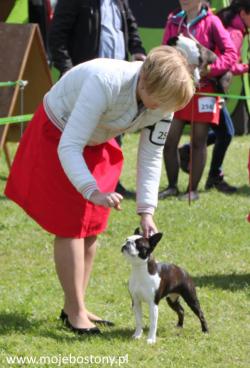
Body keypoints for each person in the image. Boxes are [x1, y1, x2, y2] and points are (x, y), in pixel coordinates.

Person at [4, 46, 194, 334]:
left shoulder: (162, 103)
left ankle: (74, 305)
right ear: (144, 81)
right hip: (58, 134)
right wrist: (90, 189)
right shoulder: (104, 82)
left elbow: (151, 155)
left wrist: (146, 210)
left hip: (95, 140)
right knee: (70, 225)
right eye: (160, 102)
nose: (162, 110)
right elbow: (69, 145)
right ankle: (75, 310)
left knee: (92, 225)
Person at [48, 0, 147, 198]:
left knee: (114, 137)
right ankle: (78, 184)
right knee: (80, 138)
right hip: (86, 84)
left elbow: (131, 27)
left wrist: (137, 50)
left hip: (120, 85)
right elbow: (57, 36)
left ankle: (110, 182)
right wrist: (68, 70)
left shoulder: (120, 2)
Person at [159, 0, 238, 201]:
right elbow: (164, 50)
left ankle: (192, 191)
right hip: (178, 88)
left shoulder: (212, 21)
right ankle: (172, 187)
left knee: (198, 142)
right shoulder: (173, 21)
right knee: (169, 141)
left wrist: (211, 69)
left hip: (205, 90)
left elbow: (231, 53)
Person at [178, 0, 250, 194]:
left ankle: (191, 155)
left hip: (208, 85)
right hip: (211, 87)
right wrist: (246, 67)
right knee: (226, 133)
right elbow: (228, 64)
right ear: (243, 13)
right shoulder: (235, 32)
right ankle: (212, 177)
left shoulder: (226, 21)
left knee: (224, 132)